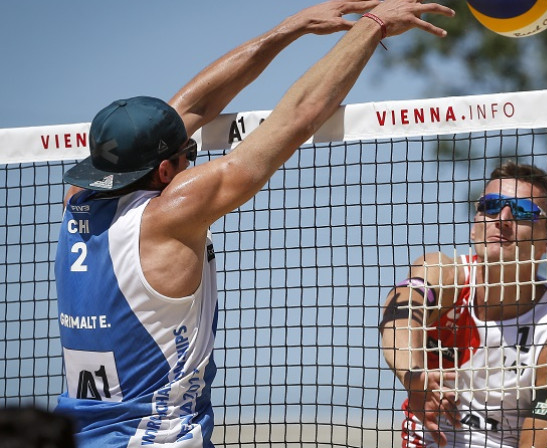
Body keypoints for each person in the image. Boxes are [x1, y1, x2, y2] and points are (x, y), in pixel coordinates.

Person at [53, 1, 454, 446]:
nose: (193, 159)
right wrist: (373, 27)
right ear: (165, 172)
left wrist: (291, 27)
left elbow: (194, 105)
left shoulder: (77, 200)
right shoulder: (171, 213)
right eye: (189, 155)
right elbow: (300, 115)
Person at [380, 161, 547, 448]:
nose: (502, 218)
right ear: (474, 228)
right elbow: (399, 315)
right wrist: (414, 375)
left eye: (523, 211)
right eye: (491, 205)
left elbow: (545, 440)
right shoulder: (442, 274)